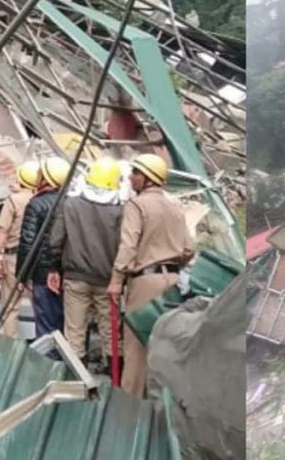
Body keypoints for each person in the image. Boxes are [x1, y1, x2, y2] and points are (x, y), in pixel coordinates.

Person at [108, 154, 195, 397]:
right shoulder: (175, 207)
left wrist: (116, 281)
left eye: (135, 173)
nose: (130, 177)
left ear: (147, 179)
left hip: (145, 282)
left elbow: (128, 246)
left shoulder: (136, 206)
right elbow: (189, 248)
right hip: (173, 284)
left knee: (136, 349)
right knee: (167, 348)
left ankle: (130, 409)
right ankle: (163, 405)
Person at [47, 157, 124, 367]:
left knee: (74, 335)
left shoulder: (70, 205)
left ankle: (76, 384)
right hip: (108, 281)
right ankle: (115, 383)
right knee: (112, 335)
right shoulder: (120, 212)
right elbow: (124, 246)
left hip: (75, 278)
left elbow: (56, 239)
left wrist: (54, 268)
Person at [17, 156, 71, 346]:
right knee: (67, 327)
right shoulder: (72, 203)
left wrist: (22, 276)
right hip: (68, 275)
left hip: (42, 275)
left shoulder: (36, 204)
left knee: (46, 328)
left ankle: (48, 368)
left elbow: (27, 243)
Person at [0, 161, 39, 337]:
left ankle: (12, 346)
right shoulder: (41, 200)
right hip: (36, 259)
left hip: (13, 258)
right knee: (40, 306)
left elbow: (2, 231)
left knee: (11, 308)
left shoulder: (13, 201)